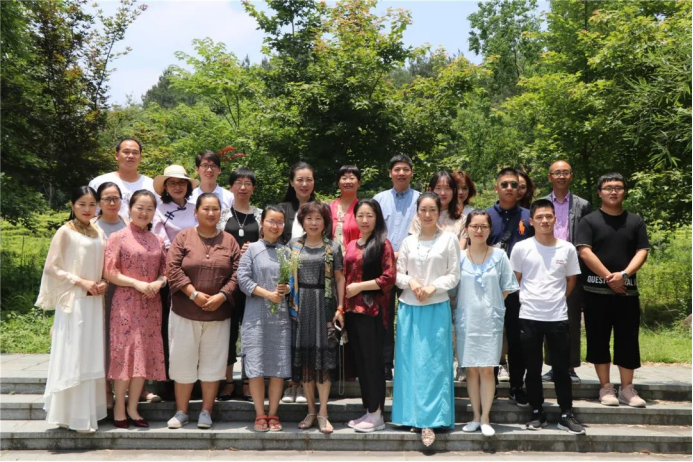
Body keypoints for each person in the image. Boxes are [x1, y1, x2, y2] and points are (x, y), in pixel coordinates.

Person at [166, 193, 241, 430]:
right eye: (205, 209)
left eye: (215, 209)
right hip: (184, 311)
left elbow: (238, 273)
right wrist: (193, 294)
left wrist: (222, 296)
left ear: (221, 212)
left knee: (213, 363)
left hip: (218, 313)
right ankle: (182, 411)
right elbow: (172, 268)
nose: (210, 213)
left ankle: (206, 411)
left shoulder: (229, 240)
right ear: (196, 212)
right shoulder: (184, 237)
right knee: (182, 361)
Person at [510, 199, 585, 435]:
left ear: (555, 219)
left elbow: (571, 280)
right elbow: (515, 280)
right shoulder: (521, 248)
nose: (544, 221)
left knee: (562, 369)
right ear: (531, 221)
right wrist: (530, 299)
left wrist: (558, 298)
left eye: (549, 216)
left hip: (558, 316)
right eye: (539, 217)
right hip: (529, 315)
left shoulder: (567, 248)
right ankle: (536, 412)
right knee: (532, 369)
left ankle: (566, 413)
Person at [37, 186, 108, 433]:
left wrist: (103, 281)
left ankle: (86, 414)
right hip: (74, 301)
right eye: (82, 204)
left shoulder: (98, 231)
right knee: (74, 354)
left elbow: (103, 264)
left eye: (92, 204)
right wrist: (80, 281)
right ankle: (71, 416)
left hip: (94, 301)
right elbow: (51, 267)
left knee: (90, 354)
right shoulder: (65, 231)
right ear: (72, 205)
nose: (88, 209)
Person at [392, 193, 460, 447]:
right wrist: (411, 282)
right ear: (417, 212)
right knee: (410, 363)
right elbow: (397, 273)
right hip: (410, 307)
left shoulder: (449, 239)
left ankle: (431, 420)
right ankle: (411, 415)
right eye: (423, 210)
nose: (428, 214)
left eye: (432, 210)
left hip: (436, 306)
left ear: (439, 212)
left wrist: (433, 287)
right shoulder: (409, 241)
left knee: (434, 364)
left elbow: (454, 274)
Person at [576, 173, 650, 408]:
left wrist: (624, 275)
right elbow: (584, 251)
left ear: (624, 191)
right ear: (599, 192)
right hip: (595, 293)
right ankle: (605, 387)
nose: (613, 191)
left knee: (628, 341)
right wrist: (609, 277)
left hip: (627, 293)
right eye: (608, 188)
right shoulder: (589, 221)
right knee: (598, 340)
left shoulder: (635, 221)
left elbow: (642, 251)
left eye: (618, 187)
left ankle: (627, 389)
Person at [104, 190, 168, 429]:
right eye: (140, 207)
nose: (144, 212)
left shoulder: (157, 240)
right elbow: (109, 272)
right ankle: (119, 407)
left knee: (143, 354)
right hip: (126, 303)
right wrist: (136, 283)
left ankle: (133, 407)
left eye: (149, 209)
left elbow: (166, 271)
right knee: (125, 354)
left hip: (151, 303)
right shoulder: (118, 237)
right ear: (130, 208)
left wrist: (159, 283)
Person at [456, 210, 518, 438]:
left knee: (488, 370)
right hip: (467, 319)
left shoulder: (499, 256)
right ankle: (475, 416)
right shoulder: (459, 257)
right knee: (471, 369)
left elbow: (508, 285)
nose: (479, 230)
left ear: (490, 229)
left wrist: (493, 305)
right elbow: (452, 288)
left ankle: (485, 418)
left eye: (484, 226)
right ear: (467, 229)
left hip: (490, 320)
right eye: (474, 226)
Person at [289, 202, 345, 435]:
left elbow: (340, 278)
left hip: (325, 303)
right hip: (300, 305)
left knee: (324, 359)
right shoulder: (293, 245)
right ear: (302, 221)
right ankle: (311, 410)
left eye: (318, 218)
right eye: (309, 218)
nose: (313, 223)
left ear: (325, 222)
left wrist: (340, 307)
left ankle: (323, 412)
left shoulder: (333, 247)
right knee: (306, 361)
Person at [237, 206, 293, 432]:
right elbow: (243, 280)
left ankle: (273, 413)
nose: (275, 226)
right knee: (256, 365)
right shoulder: (251, 249)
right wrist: (268, 294)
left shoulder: (286, 252)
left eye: (279, 222)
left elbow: (292, 282)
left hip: (280, 317)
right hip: (255, 316)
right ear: (262, 222)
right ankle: (260, 414)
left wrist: (287, 289)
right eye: (271, 221)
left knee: (278, 364)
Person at [343, 199, 396, 433]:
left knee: (373, 363)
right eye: (361, 216)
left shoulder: (383, 244)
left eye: (370, 216)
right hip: (352, 312)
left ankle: (377, 415)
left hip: (372, 312)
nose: (365, 220)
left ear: (377, 218)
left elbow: (389, 278)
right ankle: (369, 410)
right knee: (361, 363)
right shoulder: (352, 245)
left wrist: (360, 287)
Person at [487, 168, 534, 407]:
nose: (509, 188)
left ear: (520, 189)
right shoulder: (485, 216)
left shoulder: (530, 216)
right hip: (489, 289)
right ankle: (490, 385)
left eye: (513, 185)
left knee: (517, 339)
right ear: (496, 187)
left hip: (521, 289)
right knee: (492, 337)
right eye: (504, 184)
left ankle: (517, 386)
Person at [542, 160, 592, 384]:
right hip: (546, 267)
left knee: (571, 319)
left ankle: (569, 367)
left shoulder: (583, 205)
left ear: (571, 176)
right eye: (557, 173)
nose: (561, 176)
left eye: (565, 172)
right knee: (548, 317)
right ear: (549, 177)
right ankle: (553, 366)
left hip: (572, 268)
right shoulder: (542, 203)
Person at [373, 154, 420, 381]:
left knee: (411, 315)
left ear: (412, 172)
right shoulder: (379, 199)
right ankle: (384, 363)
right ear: (390, 173)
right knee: (384, 315)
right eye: (397, 169)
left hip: (414, 267)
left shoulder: (421, 200)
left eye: (405, 169)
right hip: (383, 266)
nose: (401, 173)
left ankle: (410, 361)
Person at [219, 167, 263, 401]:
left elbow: (268, 243)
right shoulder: (222, 215)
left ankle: (247, 381)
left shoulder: (261, 215)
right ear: (231, 187)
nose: (243, 187)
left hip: (253, 282)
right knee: (227, 331)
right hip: (226, 281)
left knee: (251, 332)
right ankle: (227, 381)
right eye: (238, 183)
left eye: (247, 183)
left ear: (253, 188)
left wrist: (254, 248)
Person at [278, 161, 317, 404]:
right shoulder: (281, 209)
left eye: (308, 179)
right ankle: (290, 383)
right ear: (292, 182)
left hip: (312, 281)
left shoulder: (320, 209)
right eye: (299, 179)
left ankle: (304, 383)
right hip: (285, 280)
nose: (304, 184)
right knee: (287, 333)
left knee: (308, 334)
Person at [92, 182, 129, 408]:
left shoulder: (128, 223)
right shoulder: (92, 226)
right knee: (103, 338)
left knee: (125, 339)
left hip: (125, 290)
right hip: (99, 291)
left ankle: (133, 386)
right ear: (99, 202)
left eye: (116, 198)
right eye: (107, 198)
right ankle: (106, 388)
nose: (112, 203)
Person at [89, 138, 156, 217]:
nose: (131, 156)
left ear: (140, 157)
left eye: (135, 152)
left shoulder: (152, 185)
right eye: (126, 152)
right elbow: (90, 213)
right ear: (117, 155)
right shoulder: (98, 182)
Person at [152, 165, 199, 249]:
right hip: (171, 254)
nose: (177, 187)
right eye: (172, 183)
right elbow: (162, 241)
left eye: (181, 182)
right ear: (166, 187)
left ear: (187, 185)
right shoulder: (159, 211)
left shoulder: (196, 208)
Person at [409, 171, 465, 241]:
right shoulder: (420, 218)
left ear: (454, 191)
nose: (443, 193)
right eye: (438, 188)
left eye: (447, 188)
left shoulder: (462, 220)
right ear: (430, 190)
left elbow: (462, 246)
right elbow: (412, 243)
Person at [330, 165, 362, 254]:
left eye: (352, 178)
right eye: (344, 178)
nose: (348, 181)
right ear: (338, 183)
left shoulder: (363, 209)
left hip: (354, 257)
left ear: (359, 183)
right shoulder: (329, 207)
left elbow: (366, 236)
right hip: (329, 258)